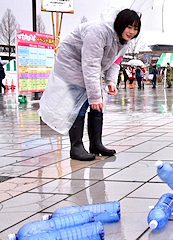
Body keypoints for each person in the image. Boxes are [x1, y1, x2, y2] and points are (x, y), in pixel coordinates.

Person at [38, 7, 141, 161]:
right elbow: (91, 64)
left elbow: (115, 62)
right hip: (71, 63)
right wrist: (94, 97)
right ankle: (76, 146)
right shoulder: (98, 32)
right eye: (129, 27)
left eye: (135, 28)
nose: (131, 32)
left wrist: (111, 81)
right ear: (120, 24)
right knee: (80, 103)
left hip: (88, 65)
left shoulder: (124, 41)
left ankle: (96, 143)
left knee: (98, 102)